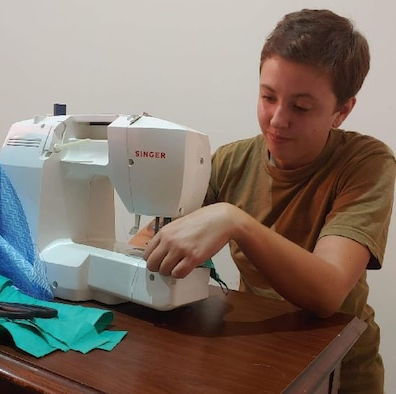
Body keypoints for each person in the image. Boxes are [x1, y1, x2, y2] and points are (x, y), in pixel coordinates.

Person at [131, 8, 396, 394]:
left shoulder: (367, 164)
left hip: (337, 369)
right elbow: (150, 242)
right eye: (268, 96)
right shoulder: (230, 161)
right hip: (256, 354)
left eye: (301, 107)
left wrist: (233, 220)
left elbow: (328, 291)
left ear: (343, 110)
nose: (277, 120)